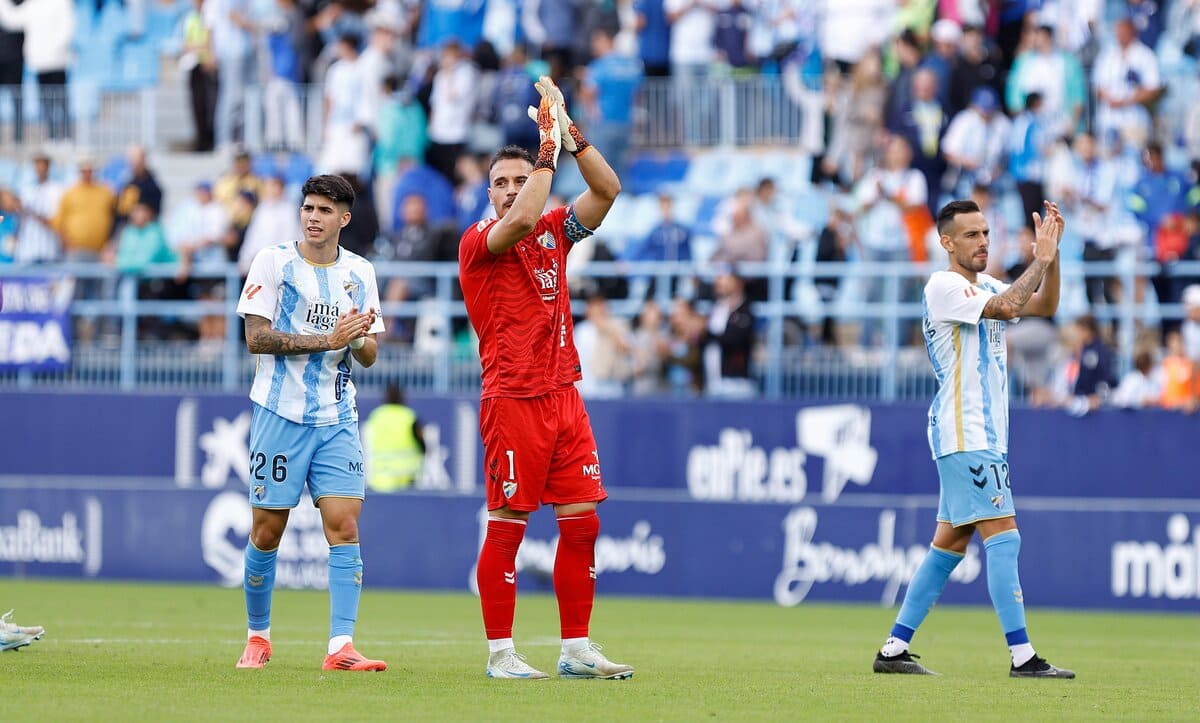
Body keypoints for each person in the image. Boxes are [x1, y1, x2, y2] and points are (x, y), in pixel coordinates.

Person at [457, 77, 634, 680]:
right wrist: (545, 149)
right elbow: (527, 211)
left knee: (583, 521)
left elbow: (607, 189)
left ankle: (576, 647)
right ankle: (500, 654)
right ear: (489, 195)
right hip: (513, 399)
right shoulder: (481, 242)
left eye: (517, 180)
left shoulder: (556, 233)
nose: (511, 192)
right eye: (500, 184)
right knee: (508, 525)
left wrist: (571, 132)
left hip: (564, 394)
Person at [873, 198, 1075, 679]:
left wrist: (1054, 254)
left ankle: (894, 649)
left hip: (981, 433)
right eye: (971, 235)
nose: (983, 241)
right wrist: (1039, 261)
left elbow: (1044, 303)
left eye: (985, 232)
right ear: (947, 242)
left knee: (950, 543)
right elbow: (1009, 305)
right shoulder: (943, 286)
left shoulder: (983, 284)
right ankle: (1023, 656)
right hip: (966, 431)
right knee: (1004, 537)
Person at [233, 174, 387, 672]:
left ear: (344, 218)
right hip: (280, 414)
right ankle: (258, 637)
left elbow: (369, 355)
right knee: (267, 531)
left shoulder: (361, 272)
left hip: (338, 415)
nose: (313, 217)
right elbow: (255, 338)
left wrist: (356, 338)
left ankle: (341, 647)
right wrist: (327, 339)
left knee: (344, 524)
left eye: (324, 210)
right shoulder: (273, 261)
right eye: (308, 208)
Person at [363, 382, 426, 492]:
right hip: (406, 478)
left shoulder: (376, 415)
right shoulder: (409, 416)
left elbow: (367, 443)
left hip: (380, 479)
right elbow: (423, 446)